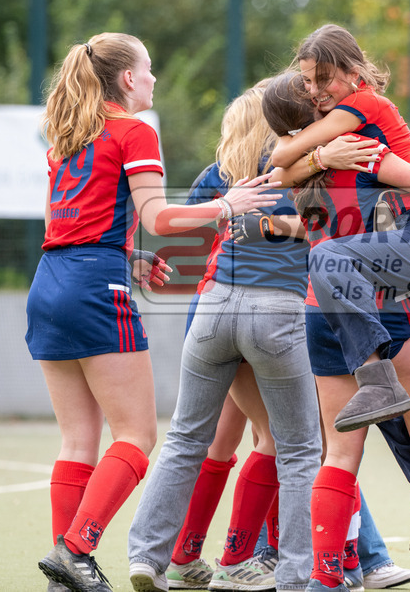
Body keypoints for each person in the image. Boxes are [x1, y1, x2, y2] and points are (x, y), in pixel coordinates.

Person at [26, 34, 280, 592]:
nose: (154, 79)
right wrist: (226, 204)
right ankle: (75, 549)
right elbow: (161, 219)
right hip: (96, 289)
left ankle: (61, 577)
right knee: (137, 437)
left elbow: (62, 227)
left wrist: (126, 253)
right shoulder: (134, 131)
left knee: (76, 442)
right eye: (148, 68)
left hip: (49, 283)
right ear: (126, 79)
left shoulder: (67, 138)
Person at [126, 84, 321, 592]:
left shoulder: (224, 175)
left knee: (185, 439)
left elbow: (176, 231)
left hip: (212, 308)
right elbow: (336, 228)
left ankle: (148, 556)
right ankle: (298, 576)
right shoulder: (306, 168)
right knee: (300, 449)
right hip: (276, 309)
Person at [264, 69, 410, 592]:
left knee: (340, 453)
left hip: (319, 307)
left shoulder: (296, 167)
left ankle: (325, 579)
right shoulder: (361, 147)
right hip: (387, 299)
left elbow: (272, 175)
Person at [270, 24, 410, 433]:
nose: (315, 90)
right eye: (306, 81)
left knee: (337, 458)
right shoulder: (359, 114)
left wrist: (319, 156)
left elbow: (279, 168)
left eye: (322, 79)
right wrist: (324, 155)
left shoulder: (358, 111)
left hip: (319, 299)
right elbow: (280, 159)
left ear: (352, 68)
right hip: (383, 284)